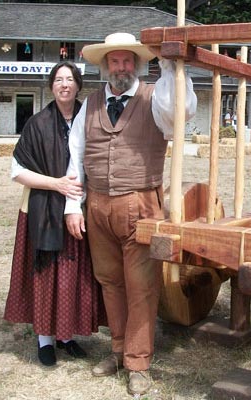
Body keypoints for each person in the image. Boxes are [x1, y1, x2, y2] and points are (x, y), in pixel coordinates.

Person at [64, 32, 197, 395]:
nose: (120, 67)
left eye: (127, 61)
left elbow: (180, 112)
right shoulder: (89, 104)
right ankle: (119, 351)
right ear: (105, 66)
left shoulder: (156, 98)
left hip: (140, 204)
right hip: (97, 205)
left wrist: (171, 68)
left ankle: (139, 362)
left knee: (141, 287)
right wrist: (72, 205)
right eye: (114, 61)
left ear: (136, 65)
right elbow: (74, 156)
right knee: (110, 282)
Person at [4, 61, 107, 367]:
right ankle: (45, 339)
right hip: (42, 213)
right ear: (52, 86)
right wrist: (57, 184)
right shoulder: (37, 123)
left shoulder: (90, 120)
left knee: (71, 275)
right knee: (47, 273)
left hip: (79, 210)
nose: (64, 85)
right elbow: (17, 172)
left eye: (70, 80)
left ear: (78, 85)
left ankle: (66, 335)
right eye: (59, 80)